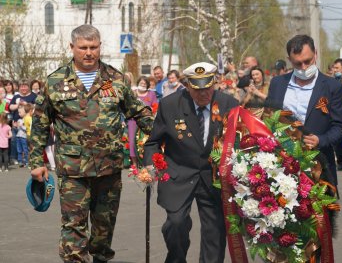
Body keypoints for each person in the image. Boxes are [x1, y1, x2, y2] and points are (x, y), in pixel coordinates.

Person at [29, 24, 154, 263]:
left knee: (103, 229)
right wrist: (37, 163)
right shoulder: (54, 82)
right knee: (73, 227)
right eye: (83, 47)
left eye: (93, 47)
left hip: (109, 168)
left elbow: (139, 113)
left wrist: (162, 138)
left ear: (100, 47)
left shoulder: (115, 79)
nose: (89, 52)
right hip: (73, 170)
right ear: (72, 47)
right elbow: (40, 126)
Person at [144, 62, 238, 263]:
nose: (204, 94)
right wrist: (151, 165)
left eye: (208, 88)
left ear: (214, 84)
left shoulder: (228, 104)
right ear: (187, 86)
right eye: (197, 89)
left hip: (213, 179)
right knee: (175, 225)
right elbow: (153, 142)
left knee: (214, 232)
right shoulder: (170, 105)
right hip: (179, 173)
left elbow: (237, 141)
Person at [265, 34, 342, 190]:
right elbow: (268, 118)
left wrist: (321, 139)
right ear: (289, 60)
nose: (303, 68)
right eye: (298, 63)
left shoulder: (333, 87)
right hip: (281, 167)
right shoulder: (277, 83)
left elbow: (340, 126)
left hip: (319, 166)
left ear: (315, 54)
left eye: (307, 61)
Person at [9, 79, 37, 165]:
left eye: (25, 86)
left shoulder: (33, 96)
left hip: (28, 125)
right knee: (15, 142)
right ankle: (14, 158)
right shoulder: (16, 96)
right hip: (16, 123)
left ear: (28, 87)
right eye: (21, 86)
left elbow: (36, 107)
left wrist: (26, 104)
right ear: (19, 87)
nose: (23, 88)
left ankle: (30, 159)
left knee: (28, 143)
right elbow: (10, 107)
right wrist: (17, 105)